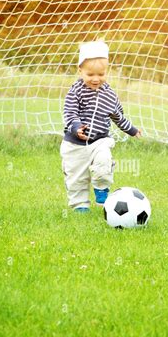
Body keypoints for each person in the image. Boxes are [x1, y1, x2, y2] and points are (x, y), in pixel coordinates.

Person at [60, 40, 142, 212]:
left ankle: (102, 191)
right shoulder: (76, 91)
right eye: (90, 75)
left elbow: (118, 117)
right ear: (80, 70)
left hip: (100, 141)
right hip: (75, 145)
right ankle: (80, 205)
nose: (96, 79)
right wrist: (76, 127)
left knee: (104, 161)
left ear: (106, 71)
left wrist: (132, 130)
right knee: (76, 178)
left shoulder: (109, 95)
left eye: (101, 74)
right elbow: (69, 113)